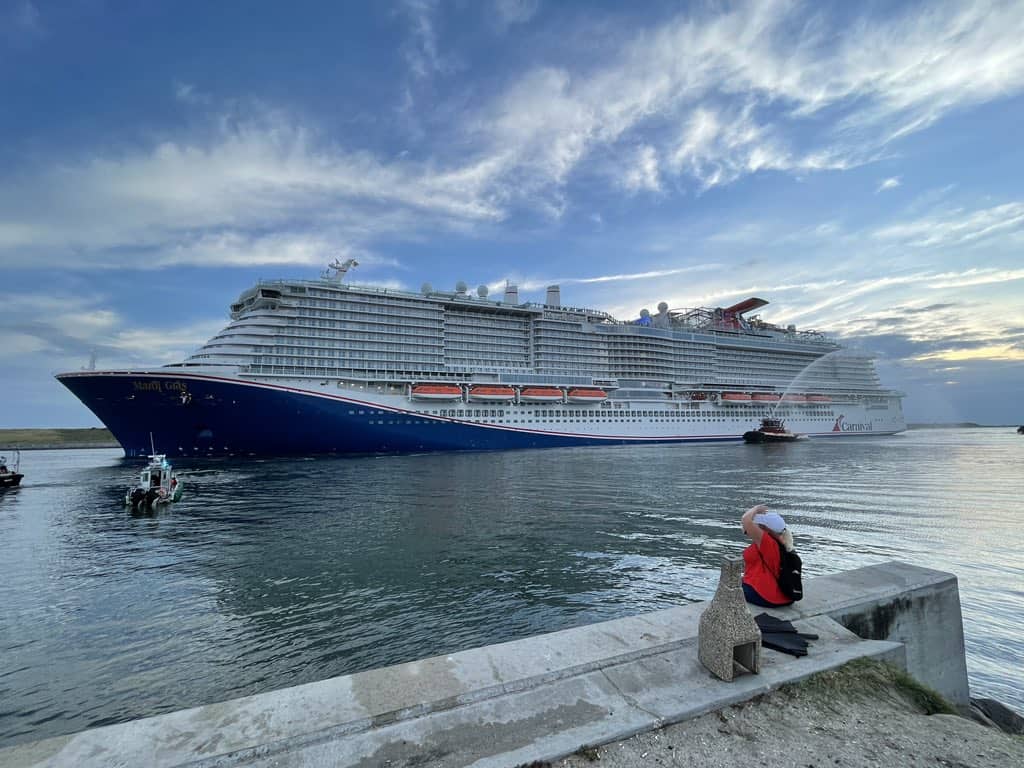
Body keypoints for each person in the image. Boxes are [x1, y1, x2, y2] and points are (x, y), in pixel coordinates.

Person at [740, 503, 794, 607]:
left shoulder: (768, 543)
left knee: (730, 584)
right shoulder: (780, 543)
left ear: (764, 528)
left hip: (766, 596)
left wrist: (756, 508)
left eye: (756, 525)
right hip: (784, 596)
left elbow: (745, 520)